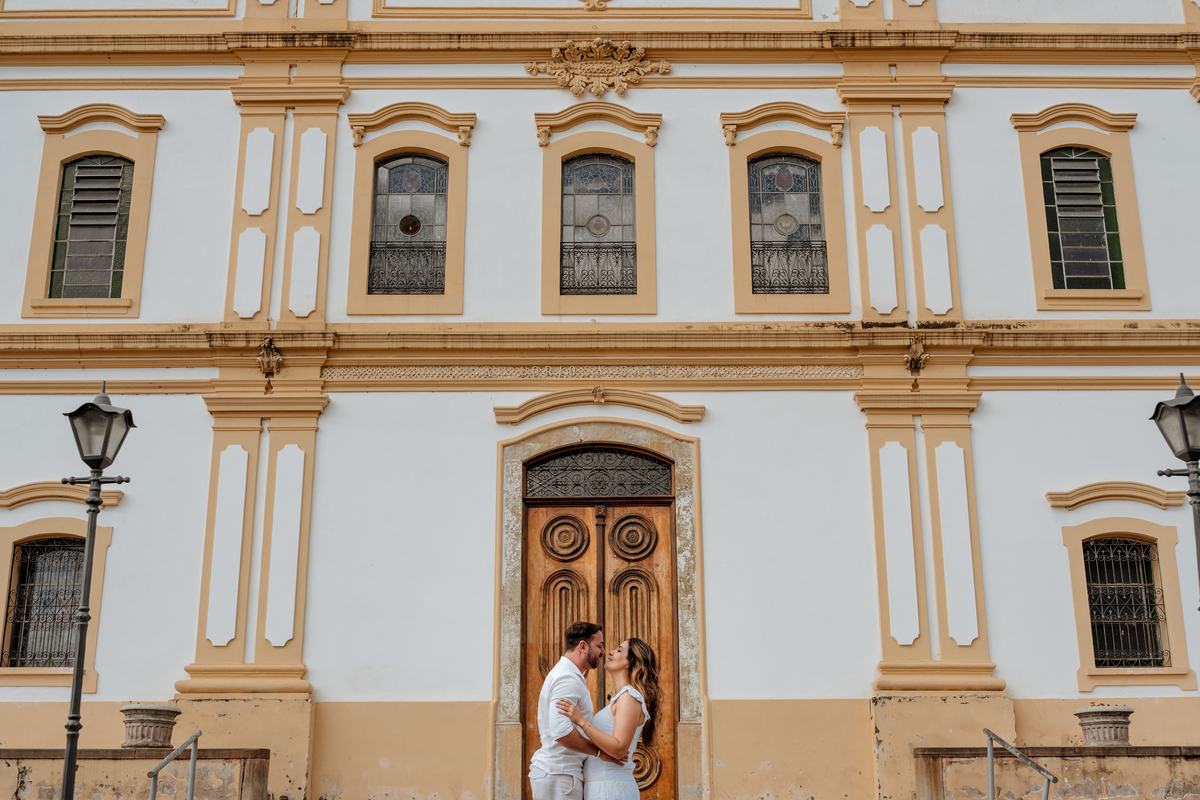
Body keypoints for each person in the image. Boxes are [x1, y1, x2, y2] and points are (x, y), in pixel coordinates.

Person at [556, 638, 659, 800]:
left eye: (619, 650)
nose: (610, 652)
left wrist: (581, 721)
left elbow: (618, 749)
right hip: (602, 786)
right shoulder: (623, 698)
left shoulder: (629, 697)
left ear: (631, 662)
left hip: (611, 788)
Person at [529, 621, 623, 800]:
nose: (603, 651)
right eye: (599, 646)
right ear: (582, 646)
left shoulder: (568, 674)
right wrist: (599, 752)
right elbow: (561, 731)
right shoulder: (567, 678)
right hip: (560, 776)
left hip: (561, 774)